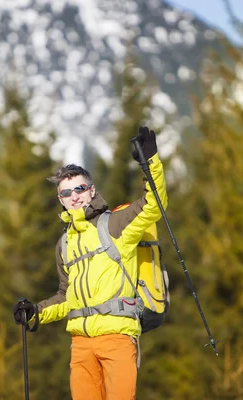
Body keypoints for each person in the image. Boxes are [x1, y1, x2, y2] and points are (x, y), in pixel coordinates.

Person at [13, 126, 168, 400]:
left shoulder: (116, 225)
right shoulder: (64, 244)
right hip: (81, 345)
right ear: (60, 200)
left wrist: (150, 163)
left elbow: (153, 206)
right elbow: (65, 296)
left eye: (80, 189)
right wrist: (35, 312)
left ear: (91, 190)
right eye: (66, 193)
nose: (74, 196)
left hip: (117, 337)